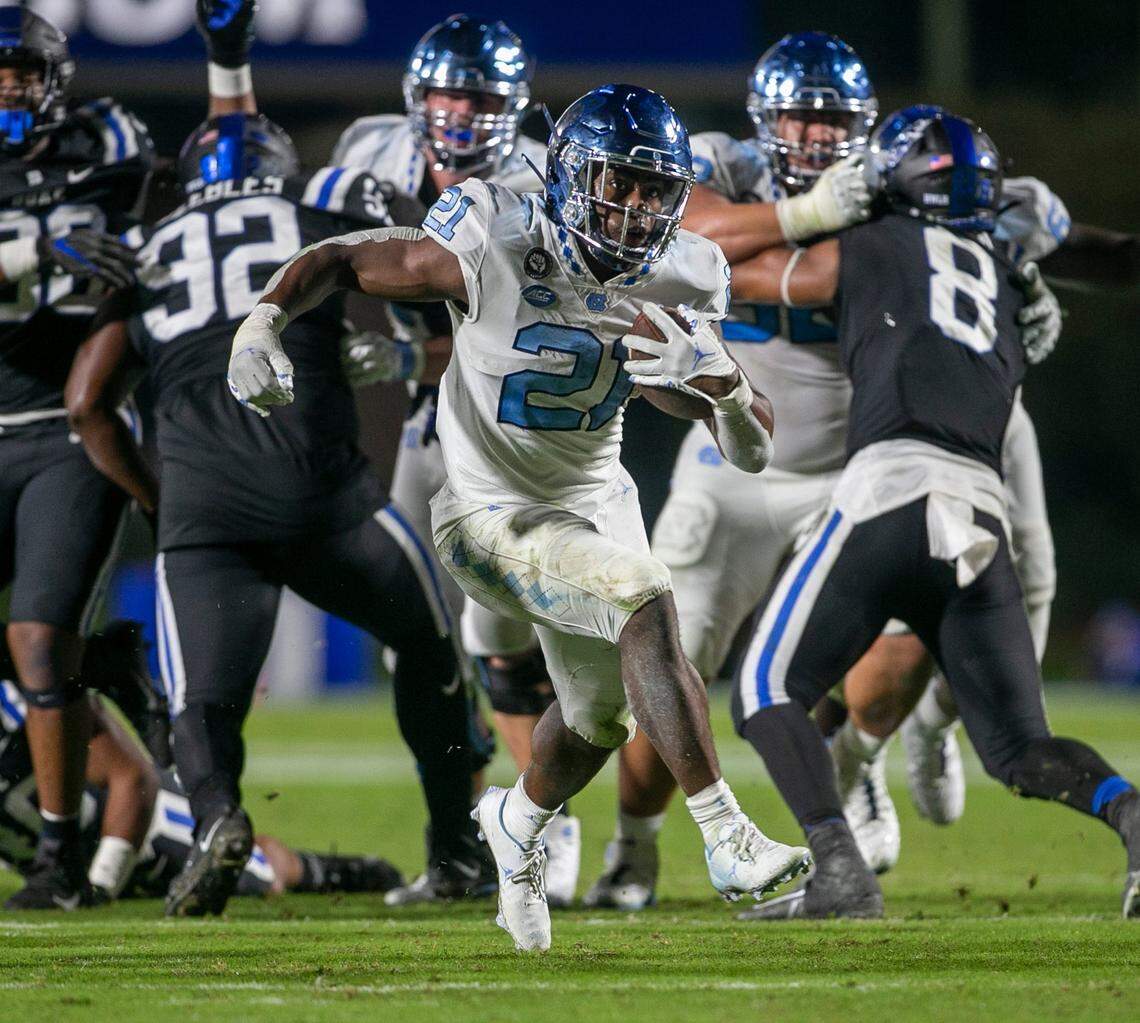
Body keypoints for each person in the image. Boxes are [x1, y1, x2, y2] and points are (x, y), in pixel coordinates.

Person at [227, 83, 812, 952]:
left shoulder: (689, 269)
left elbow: (756, 450)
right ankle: (727, 835)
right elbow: (347, 255)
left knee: (596, 722)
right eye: (621, 182)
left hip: (596, 505)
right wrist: (265, 319)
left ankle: (518, 821)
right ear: (572, 175)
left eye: (657, 189)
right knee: (643, 596)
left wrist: (722, 385)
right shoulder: (494, 231)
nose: (638, 206)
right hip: (487, 510)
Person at [65, 0, 492, 917]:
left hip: (204, 509)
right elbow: (429, 263)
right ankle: (457, 847)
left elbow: (86, 404)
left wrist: (157, 499)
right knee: (429, 650)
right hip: (326, 495)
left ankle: (221, 817)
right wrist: (415, 350)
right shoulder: (318, 200)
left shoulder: (145, 251)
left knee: (202, 708)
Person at [727, 108, 1140, 920]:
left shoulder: (870, 242)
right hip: (982, 513)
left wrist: (801, 218)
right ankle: (1132, 813)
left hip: (891, 485)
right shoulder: (1007, 268)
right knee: (1022, 749)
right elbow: (1113, 262)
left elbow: (741, 271)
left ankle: (839, 869)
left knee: (764, 685)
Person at [330, 13, 583, 906]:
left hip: (514, 411)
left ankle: (550, 809)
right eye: (447, 94)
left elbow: (520, 327)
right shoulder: (373, 152)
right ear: (416, 99)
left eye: (479, 97)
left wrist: (408, 359)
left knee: (514, 624)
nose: (462, 113)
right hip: (426, 420)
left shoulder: (537, 181)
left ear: (510, 105)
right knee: (418, 639)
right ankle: (466, 840)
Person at [0, 3, 153, 909]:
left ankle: (61, 851)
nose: (10, 89)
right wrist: (33, 243)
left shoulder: (107, 140)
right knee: (40, 654)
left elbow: (127, 253)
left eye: (22, 72)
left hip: (62, 432)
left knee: (38, 639)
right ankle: (118, 679)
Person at [0, 626, 402, 903]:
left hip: (141, 827)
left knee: (260, 877)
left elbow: (132, 777)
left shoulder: (20, 704)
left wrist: (101, 884)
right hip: (72, 867)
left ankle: (355, 873)